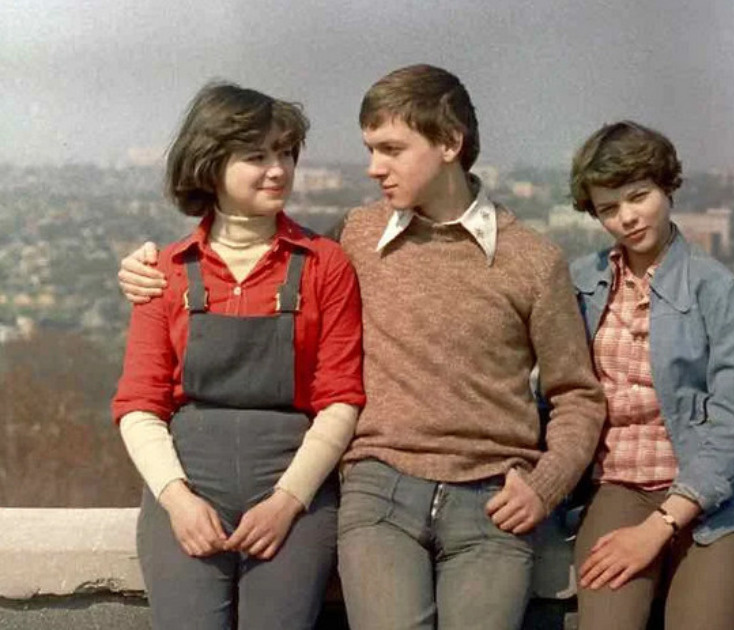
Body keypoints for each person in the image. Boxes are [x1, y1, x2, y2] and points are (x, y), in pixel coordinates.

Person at [118, 64, 606, 630]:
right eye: (370, 149)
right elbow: (248, 257)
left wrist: (545, 486)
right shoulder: (356, 236)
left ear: (450, 143)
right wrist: (142, 269)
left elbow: (577, 395)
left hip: (489, 500)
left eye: (391, 150)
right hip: (380, 491)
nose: (373, 168)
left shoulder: (532, 261)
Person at [112, 82, 365, 629]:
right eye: (256, 156)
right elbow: (139, 404)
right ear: (210, 165)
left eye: (285, 153)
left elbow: (341, 397)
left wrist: (288, 501)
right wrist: (177, 500)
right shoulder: (167, 271)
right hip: (186, 484)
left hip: (293, 491)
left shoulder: (324, 265)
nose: (278, 170)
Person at [567, 121, 734, 630]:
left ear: (666, 187)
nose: (627, 217)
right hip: (619, 484)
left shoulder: (720, 291)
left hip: (718, 500)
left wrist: (659, 526)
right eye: (609, 208)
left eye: (639, 196)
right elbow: (558, 395)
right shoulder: (582, 285)